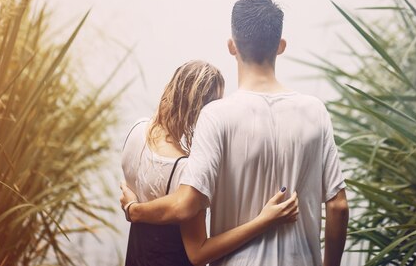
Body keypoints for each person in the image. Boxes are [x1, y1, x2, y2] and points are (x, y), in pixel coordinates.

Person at [121, 0, 349, 266]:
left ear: (232, 46)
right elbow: (338, 206)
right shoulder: (315, 111)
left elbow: (185, 205)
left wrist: (134, 210)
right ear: (281, 46)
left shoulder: (215, 117)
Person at [120, 60, 300, 266]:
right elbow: (198, 254)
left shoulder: (136, 130)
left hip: (135, 256)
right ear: (204, 110)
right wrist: (264, 221)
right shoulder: (186, 170)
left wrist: (133, 209)